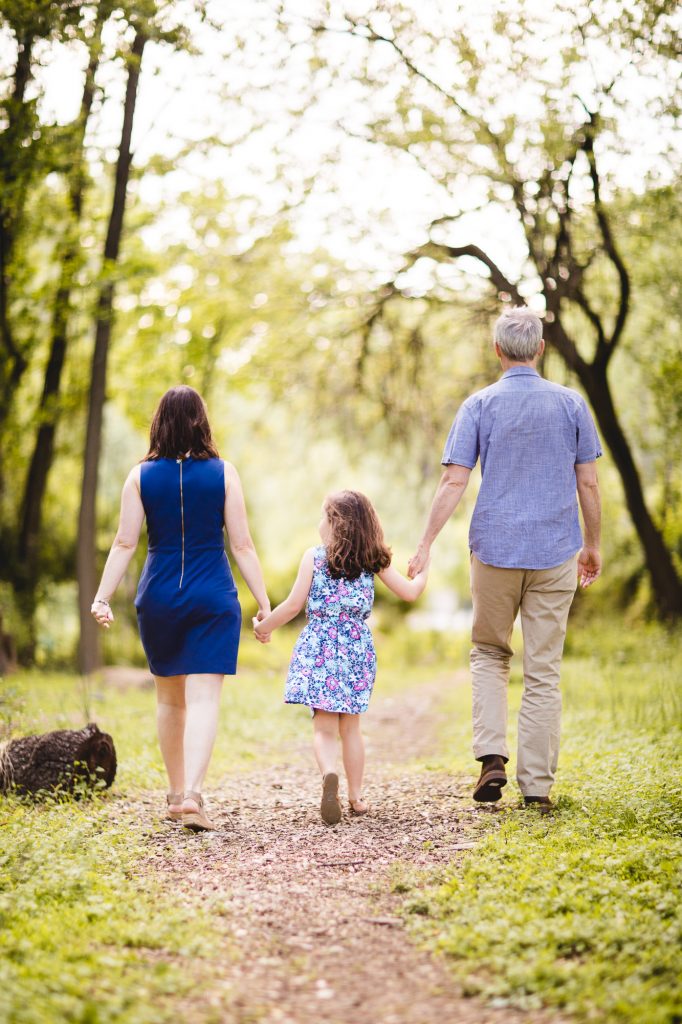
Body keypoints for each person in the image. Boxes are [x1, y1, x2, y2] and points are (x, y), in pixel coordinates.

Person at [408, 307, 602, 813]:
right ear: (539, 349)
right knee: (543, 669)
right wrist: (593, 544)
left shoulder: (478, 405)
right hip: (556, 551)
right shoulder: (572, 405)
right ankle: (535, 786)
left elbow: (454, 479)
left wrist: (425, 543)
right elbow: (588, 481)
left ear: (498, 351)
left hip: (493, 550)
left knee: (490, 653)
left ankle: (491, 757)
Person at [91, 385, 270, 831]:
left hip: (160, 596)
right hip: (213, 595)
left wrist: (101, 596)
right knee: (204, 698)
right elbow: (242, 544)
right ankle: (193, 795)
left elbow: (125, 542)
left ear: (159, 423)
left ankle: (175, 797)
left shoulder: (139, 476)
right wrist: (266, 603)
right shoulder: (225, 473)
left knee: (170, 701)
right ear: (201, 421)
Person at [253, 490, 429, 825]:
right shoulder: (374, 561)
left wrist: (264, 627)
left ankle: (329, 774)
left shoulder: (314, 558)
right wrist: (423, 569)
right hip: (356, 649)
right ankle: (356, 796)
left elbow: (292, 606)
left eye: (324, 516)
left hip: (320, 646)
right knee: (352, 728)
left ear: (335, 523)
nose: (320, 523)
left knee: (323, 728)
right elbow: (410, 592)